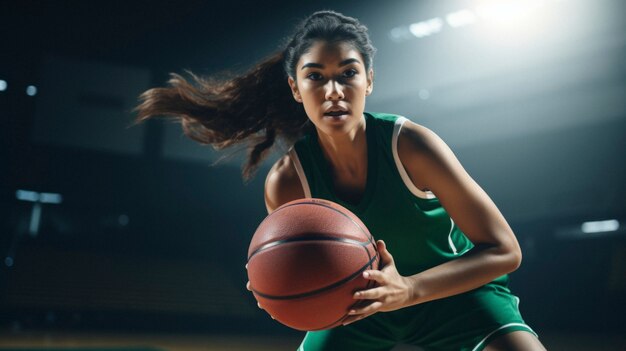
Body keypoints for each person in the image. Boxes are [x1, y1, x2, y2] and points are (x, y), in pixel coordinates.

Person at [135, 10, 546, 351]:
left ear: (369, 80)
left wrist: (408, 289)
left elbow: (505, 250)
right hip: (358, 311)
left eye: (347, 74)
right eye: (315, 77)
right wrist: (276, 283)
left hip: (453, 295)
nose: (333, 91)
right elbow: (306, 275)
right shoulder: (288, 183)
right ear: (296, 88)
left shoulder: (411, 146)